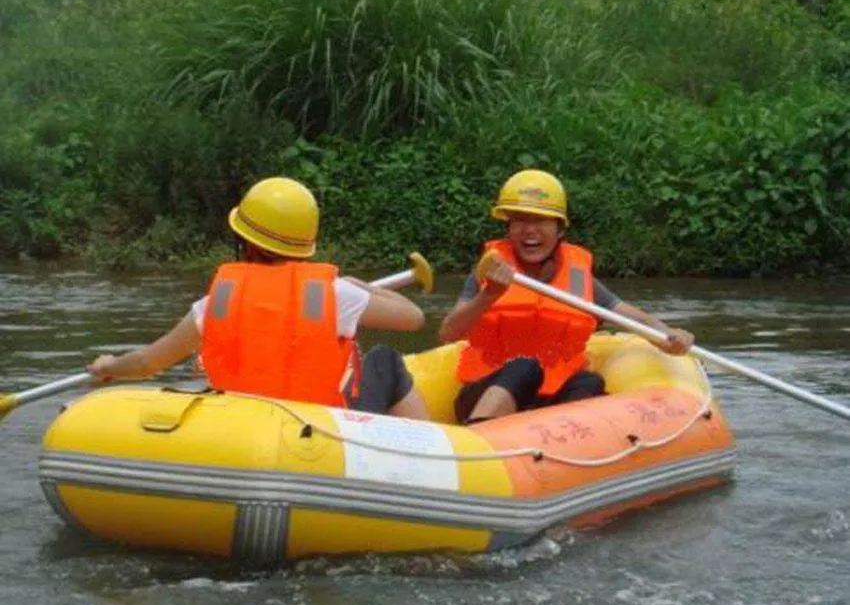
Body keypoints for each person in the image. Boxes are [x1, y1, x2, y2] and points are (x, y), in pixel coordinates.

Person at [88, 177, 430, 419]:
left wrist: (110, 367)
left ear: (246, 241)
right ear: (305, 243)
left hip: (243, 427)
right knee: (385, 360)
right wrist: (361, 285)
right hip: (316, 430)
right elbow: (413, 317)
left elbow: (149, 361)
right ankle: (427, 461)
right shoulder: (334, 294)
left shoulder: (215, 304)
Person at [438, 169, 694, 424]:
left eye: (541, 221)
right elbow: (448, 332)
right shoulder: (488, 273)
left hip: (549, 402)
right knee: (524, 366)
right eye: (521, 220)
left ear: (559, 229)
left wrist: (668, 335)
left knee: (589, 382)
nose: (530, 230)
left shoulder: (579, 281)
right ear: (509, 227)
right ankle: (479, 431)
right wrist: (489, 295)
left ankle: (566, 445)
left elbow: (635, 318)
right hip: (484, 393)